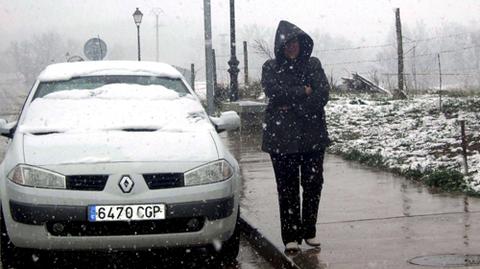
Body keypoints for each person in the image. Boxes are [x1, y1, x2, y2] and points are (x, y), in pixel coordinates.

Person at [261, 20, 330, 252]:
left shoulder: (313, 64)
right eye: (288, 43)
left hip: (312, 136)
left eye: (296, 42)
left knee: (313, 184)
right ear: (281, 46)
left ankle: (309, 231)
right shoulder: (270, 67)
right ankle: (290, 236)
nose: (292, 47)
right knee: (287, 187)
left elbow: (322, 94)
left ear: (303, 44)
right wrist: (303, 91)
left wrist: (293, 107)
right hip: (281, 139)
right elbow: (273, 92)